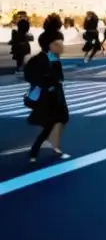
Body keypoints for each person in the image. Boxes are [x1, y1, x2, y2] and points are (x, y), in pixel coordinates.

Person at [23, 27, 70, 162]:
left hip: (57, 95)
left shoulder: (54, 59)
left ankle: (52, 147)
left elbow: (59, 77)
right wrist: (46, 85)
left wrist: (57, 81)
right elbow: (30, 76)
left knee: (60, 120)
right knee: (50, 123)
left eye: (61, 43)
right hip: (46, 97)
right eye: (57, 44)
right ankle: (36, 152)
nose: (61, 47)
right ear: (48, 45)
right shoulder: (39, 59)